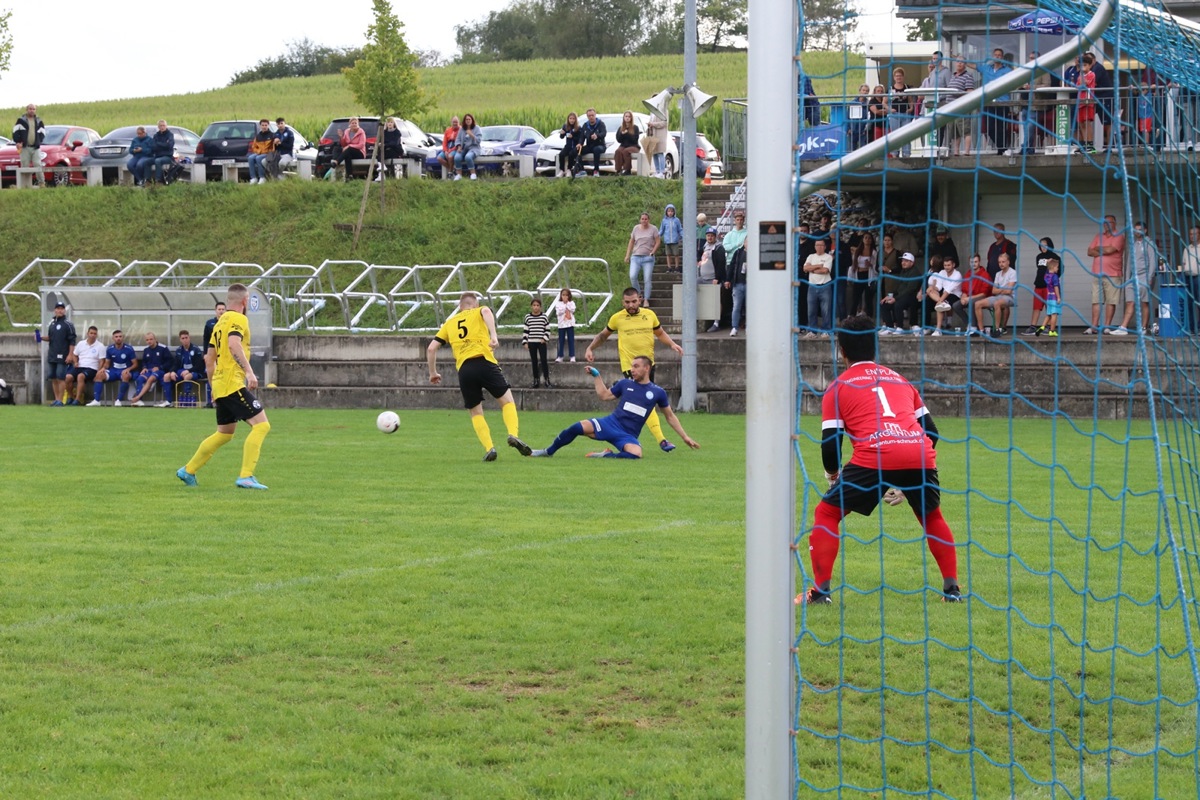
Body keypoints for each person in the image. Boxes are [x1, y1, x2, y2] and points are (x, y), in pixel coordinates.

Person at [797, 314, 961, 606]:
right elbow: (931, 432)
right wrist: (904, 479)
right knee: (932, 517)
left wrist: (833, 476)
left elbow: (831, 442)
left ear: (842, 351)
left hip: (874, 455)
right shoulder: (899, 379)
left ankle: (820, 593)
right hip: (918, 452)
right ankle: (952, 591)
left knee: (826, 514)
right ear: (875, 347)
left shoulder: (839, 386)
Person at [177, 284, 272, 490]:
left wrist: (213, 389)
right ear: (245, 301)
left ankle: (188, 470)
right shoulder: (239, 319)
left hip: (220, 384)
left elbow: (209, 359)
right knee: (262, 425)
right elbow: (233, 344)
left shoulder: (218, 324)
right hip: (232, 383)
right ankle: (246, 476)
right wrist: (248, 371)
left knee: (225, 433)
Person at [426, 292, 531, 461]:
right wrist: (494, 336)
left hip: (465, 370)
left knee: (475, 412)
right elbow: (487, 312)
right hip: (485, 362)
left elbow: (431, 348)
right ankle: (512, 434)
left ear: (460, 307)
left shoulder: (449, 323)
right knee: (507, 402)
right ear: (474, 305)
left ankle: (490, 448)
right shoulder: (479, 311)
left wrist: (433, 373)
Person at [529, 357, 698, 458]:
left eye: (636, 366)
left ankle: (607, 455)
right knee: (577, 427)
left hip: (627, 435)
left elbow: (670, 416)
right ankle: (547, 451)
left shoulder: (657, 392)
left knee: (636, 454)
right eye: (631, 366)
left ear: (647, 368)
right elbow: (604, 395)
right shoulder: (625, 384)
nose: (632, 369)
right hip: (609, 424)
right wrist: (597, 376)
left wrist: (685, 437)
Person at [584, 287, 685, 453]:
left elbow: (660, 333)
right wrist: (590, 348)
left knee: (646, 403)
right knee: (648, 402)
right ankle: (661, 440)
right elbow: (603, 335)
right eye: (627, 302)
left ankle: (623, 436)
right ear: (622, 302)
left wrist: (672, 344)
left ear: (640, 299)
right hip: (630, 369)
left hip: (648, 366)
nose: (630, 305)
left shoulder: (649, 315)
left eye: (634, 301)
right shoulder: (617, 318)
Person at [1086, 213, 1127, 334]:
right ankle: (1094, 326)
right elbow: (1089, 251)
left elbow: (1111, 250)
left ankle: (1107, 326)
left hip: (1113, 274)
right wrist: (1103, 249)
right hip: (1097, 273)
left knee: (1111, 301)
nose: (1106, 225)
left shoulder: (1119, 236)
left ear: (1114, 223)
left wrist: (1098, 248)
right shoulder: (1099, 236)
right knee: (1096, 300)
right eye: (1104, 222)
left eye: (1109, 222)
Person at [1119, 221, 1158, 334]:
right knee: (1130, 302)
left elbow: (1153, 262)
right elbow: (1129, 263)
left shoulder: (1150, 244)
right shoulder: (1134, 245)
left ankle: (1144, 328)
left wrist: (1149, 277)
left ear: (1145, 230)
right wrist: (1127, 279)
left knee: (1144, 302)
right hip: (1133, 278)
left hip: (1145, 277)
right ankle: (1123, 327)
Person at [879, 251, 924, 334]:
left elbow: (910, 289)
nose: (903, 263)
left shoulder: (915, 272)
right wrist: (889, 296)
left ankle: (900, 327)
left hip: (912, 298)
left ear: (912, 262)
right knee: (883, 304)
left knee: (898, 304)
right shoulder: (903, 271)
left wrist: (895, 299)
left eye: (906, 261)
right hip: (902, 296)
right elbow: (899, 289)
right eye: (903, 261)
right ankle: (890, 327)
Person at [42, 301, 77, 406]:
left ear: (64, 310)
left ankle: (61, 400)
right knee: (53, 377)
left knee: (61, 377)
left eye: (62, 308)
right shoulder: (52, 323)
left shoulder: (68, 324)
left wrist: (70, 354)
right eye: (58, 308)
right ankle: (56, 399)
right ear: (55, 310)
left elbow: (72, 340)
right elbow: (51, 338)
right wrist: (40, 338)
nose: (60, 310)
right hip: (52, 354)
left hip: (63, 355)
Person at [1022, 238, 1059, 335]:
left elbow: (1059, 270)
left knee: (1050, 307)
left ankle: (1049, 327)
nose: (1043, 247)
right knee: (1036, 306)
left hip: (1049, 287)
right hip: (1038, 285)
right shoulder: (1039, 256)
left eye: (1045, 245)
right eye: (1041, 245)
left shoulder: (1055, 257)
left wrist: (1053, 279)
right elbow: (1040, 267)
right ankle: (1033, 327)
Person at [979, 47, 1013, 153]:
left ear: (1002, 57)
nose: (997, 56)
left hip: (1002, 103)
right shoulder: (986, 68)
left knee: (1001, 128)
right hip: (988, 103)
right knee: (990, 128)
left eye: (999, 55)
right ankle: (1003, 149)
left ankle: (1001, 150)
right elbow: (974, 66)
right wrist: (962, 60)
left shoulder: (1007, 70)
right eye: (995, 55)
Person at [974, 252, 1017, 335]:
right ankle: (981, 330)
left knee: (997, 303)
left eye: (1003, 262)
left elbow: (1009, 291)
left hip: (1010, 297)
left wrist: (999, 289)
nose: (1001, 264)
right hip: (998, 296)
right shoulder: (998, 274)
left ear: (1008, 262)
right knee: (977, 304)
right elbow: (993, 291)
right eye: (999, 262)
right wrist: (1002, 289)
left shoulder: (1013, 272)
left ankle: (997, 330)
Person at [92, 329, 138, 406]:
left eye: (120, 336)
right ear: (113, 338)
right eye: (116, 337)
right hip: (113, 371)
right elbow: (107, 363)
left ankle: (118, 400)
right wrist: (103, 368)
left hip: (124, 371)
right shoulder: (110, 349)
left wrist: (128, 369)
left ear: (123, 338)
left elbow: (135, 364)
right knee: (99, 375)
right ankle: (96, 400)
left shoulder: (129, 349)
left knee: (125, 375)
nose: (118, 338)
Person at [161, 329, 206, 408]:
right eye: (183, 338)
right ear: (180, 340)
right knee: (166, 376)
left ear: (189, 338)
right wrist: (172, 372)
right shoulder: (179, 350)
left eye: (186, 338)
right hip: (182, 371)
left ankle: (186, 400)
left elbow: (199, 366)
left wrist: (188, 371)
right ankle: (169, 401)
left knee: (187, 376)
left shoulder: (196, 350)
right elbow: (175, 364)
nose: (185, 340)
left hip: (195, 372)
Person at [722, 211, 750, 335]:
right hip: (736, 277)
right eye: (737, 219)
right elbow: (726, 247)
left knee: (749, 306)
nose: (739, 221)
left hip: (749, 281)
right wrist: (736, 245)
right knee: (736, 305)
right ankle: (734, 327)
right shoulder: (730, 235)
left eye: (741, 219)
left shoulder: (747, 232)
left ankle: (749, 325)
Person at [128, 332, 173, 406]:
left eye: (151, 339)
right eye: (147, 340)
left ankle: (137, 397)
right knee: (140, 378)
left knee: (151, 378)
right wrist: (144, 368)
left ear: (155, 339)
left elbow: (169, 361)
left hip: (160, 371)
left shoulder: (163, 348)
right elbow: (144, 361)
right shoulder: (146, 350)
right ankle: (140, 401)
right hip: (149, 371)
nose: (149, 341)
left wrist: (160, 367)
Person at [625, 212, 661, 304]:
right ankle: (639, 295)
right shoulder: (636, 228)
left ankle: (646, 299)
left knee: (647, 278)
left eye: (646, 219)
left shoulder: (653, 229)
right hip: (636, 256)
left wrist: (653, 252)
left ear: (648, 220)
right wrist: (627, 255)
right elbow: (631, 242)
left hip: (648, 258)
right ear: (640, 220)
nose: (644, 220)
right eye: (642, 219)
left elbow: (658, 241)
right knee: (632, 276)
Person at [64, 325, 103, 406]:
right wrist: (75, 362)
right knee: (68, 377)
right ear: (87, 334)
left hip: (91, 368)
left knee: (80, 376)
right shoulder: (81, 343)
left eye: (94, 334)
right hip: (80, 366)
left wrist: (98, 372)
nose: (92, 335)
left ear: (97, 335)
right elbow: (75, 355)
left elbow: (102, 361)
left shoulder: (100, 346)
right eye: (91, 333)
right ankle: (71, 397)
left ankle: (77, 400)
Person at [803, 238, 835, 338]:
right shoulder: (811, 256)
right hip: (812, 286)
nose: (819, 247)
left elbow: (825, 270)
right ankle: (812, 331)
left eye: (821, 245)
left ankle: (826, 331)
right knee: (811, 310)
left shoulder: (828, 257)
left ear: (825, 247)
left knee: (826, 310)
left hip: (825, 285)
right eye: (817, 245)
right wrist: (818, 266)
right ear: (815, 246)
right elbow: (805, 268)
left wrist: (812, 269)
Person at [925, 254, 962, 335]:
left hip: (955, 295)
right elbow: (939, 286)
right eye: (945, 265)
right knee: (930, 291)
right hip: (943, 294)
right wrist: (932, 288)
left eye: (948, 265)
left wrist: (940, 301)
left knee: (940, 306)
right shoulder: (942, 272)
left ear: (953, 265)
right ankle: (941, 302)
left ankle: (938, 329)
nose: (946, 267)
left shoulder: (957, 274)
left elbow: (949, 290)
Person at [956, 254, 992, 334]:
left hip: (982, 298)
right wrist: (963, 297)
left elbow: (984, 294)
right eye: (972, 262)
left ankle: (974, 328)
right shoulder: (968, 274)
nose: (974, 264)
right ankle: (969, 324)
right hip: (969, 298)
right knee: (956, 305)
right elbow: (964, 290)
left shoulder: (985, 275)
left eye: (976, 262)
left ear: (979, 262)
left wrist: (968, 298)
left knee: (972, 302)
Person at [948, 57, 977, 154]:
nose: (959, 64)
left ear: (965, 64)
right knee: (955, 133)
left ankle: (967, 152)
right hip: (951, 108)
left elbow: (970, 92)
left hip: (961, 108)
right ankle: (956, 152)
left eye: (962, 62)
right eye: (958, 62)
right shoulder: (953, 76)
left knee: (966, 130)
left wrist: (958, 93)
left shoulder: (968, 76)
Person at [522, 298, 552, 388]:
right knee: (534, 361)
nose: (536, 307)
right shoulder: (528, 317)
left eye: (537, 305)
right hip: (531, 342)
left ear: (540, 307)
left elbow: (548, 329)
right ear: (531, 306)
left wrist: (545, 338)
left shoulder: (544, 317)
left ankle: (547, 380)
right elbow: (526, 330)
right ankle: (536, 380)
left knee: (543, 361)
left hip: (541, 342)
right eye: (534, 305)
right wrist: (525, 342)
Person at [13, 103, 45, 186]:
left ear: (35, 110)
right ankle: (25, 185)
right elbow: (15, 132)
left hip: (36, 148)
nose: (32, 110)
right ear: (27, 110)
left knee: (38, 164)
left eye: (33, 109)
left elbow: (43, 132)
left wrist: (39, 141)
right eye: (30, 109)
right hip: (25, 148)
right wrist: (18, 142)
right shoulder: (21, 120)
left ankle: (41, 183)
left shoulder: (39, 120)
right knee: (25, 166)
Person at [847, 231, 877, 317]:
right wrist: (850, 277)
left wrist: (871, 265)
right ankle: (851, 316)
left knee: (868, 299)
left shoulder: (874, 252)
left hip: (869, 276)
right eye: (865, 238)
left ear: (872, 240)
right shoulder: (858, 251)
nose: (867, 239)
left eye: (869, 238)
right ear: (862, 239)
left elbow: (877, 265)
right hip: (858, 276)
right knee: (855, 298)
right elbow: (852, 265)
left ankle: (869, 318)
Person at [202, 301, 226, 408]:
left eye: (223, 309)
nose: (221, 311)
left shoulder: (228, 322)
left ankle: (223, 400)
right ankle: (211, 401)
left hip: (224, 355)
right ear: (215, 311)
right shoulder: (209, 323)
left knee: (223, 377)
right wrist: (205, 354)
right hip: (212, 354)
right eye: (219, 309)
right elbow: (206, 339)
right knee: (211, 376)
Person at [1181, 225, 1200, 334]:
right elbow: (1184, 263)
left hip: (1198, 277)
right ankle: (1192, 328)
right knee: (1189, 303)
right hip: (1187, 278)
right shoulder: (1186, 248)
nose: (1192, 236)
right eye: (1191, 234)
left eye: (1195, 234)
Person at [1075, 57, 1097, 152]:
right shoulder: (1080, 75)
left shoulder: (1091, 74)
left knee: (1087, 123)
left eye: (1085, 65)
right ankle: (1084, 144)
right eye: (1081, 65)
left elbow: (1084, 84)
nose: (1083, 67)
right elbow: (1077, 85)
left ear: (1090, 65)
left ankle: (1090, 145)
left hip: (1088, 101)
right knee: (1081, 123)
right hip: (1080, 101)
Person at [551, 287, 577, 362]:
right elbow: (558, 312)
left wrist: (567, 304)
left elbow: (572, 309)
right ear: (561, 296)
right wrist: (565, 306)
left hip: (570, 324)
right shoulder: (558, 303)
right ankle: (560, 356)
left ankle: (572, 356)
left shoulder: (571, 303)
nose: (565, 297)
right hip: (561, 325)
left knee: (571, 340)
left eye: (566, 295)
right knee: (561, 340)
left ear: (569, 296)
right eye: (563, 295)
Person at [453, 113, 482, 181]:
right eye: (466, 119)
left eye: (469, 119)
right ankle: (459, 174)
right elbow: (458, 139)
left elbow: (478, 140)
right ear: (464, 121)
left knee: (468, 157)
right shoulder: (462, 129)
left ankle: (473, 174)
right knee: (457, 157)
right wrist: (459, 146)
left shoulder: (477, 128)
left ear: (472, 120)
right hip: (463, 148)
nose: (468, 121)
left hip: (474, 148)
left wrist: (471, 135)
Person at [246, 119, 276, 185]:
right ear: (260, 126)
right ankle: (253, 178)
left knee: (258, 158)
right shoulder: (258, 136)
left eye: (266, 125)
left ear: (268, 126)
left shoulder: (272, 135)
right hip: (260, 153)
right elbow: (254, 147)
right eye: (263, 125)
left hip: (269, 153)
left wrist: (266, 152)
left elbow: (273, 148)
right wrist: (258, 151)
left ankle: (262, 177)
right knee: (250, 158)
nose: (264, 127)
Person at [579, 108, 607, 176]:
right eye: (589, 116)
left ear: (595, 115)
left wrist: (597, 135)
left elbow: (604, 133)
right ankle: (581, 170)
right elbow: (582, 137)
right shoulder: (585, 125)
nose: (591, 117)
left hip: (600, 145)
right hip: (589, 146)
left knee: (596, 150)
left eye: (592, 115)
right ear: (587, 116)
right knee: (577, 150)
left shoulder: (600, 123)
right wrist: (580, 144)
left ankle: (596, 170)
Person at [148, 119, 176, 185]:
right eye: (160, 126)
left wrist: (158, 144)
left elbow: (169, 146)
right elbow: (153, 147)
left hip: (168, 157)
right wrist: (164, 144)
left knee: (158, 161)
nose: (162, 127)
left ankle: (158, 181)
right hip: (157, 155)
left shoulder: (170, 135)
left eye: (163, 125)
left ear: (166, 126)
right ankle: (148, 181)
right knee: (146, 162)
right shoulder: (156, 136)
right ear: (158, 127)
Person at [613, 110, 640, 176]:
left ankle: (627, 170)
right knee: (618, 151)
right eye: (626, 116)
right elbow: (618, 140)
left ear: (631, 118)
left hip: (634, 146)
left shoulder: (635, 128)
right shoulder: (621, 128)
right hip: (623, 145)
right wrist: (622, 134)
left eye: (629, 116)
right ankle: (618, 170)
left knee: (626, 151)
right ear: (624, 117)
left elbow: (635, 139)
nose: (627, 118)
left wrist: (627, 133)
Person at [659, 204, 684, 274]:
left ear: (674, 212)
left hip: (675, 240)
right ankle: (669, 267)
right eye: (668, 211)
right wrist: (658, 236)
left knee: (676, 254)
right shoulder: (664, 221)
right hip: (667, 241)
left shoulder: (676, 220)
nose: (670, 213)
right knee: (668, 254)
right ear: (666, 212)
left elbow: (680, 229)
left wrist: (683, 236)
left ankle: (677, 267)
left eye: (671, 211)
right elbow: (661, 230)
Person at [1043, 255, 1063, 336]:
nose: (1058, 269)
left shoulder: (1046, 275)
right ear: (1054, 267)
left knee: (1049, 314)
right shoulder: (1055, 276)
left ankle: (1042, 328)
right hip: (1054, 297)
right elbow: (1056, 287)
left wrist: (1048, 262)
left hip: (1048, 297)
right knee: (1054, 314)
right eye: (1057, 267)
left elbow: (1047, 271)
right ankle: (1052, 330)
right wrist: (1058, 297)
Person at [644, 112, 669, 177]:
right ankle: (657, 171)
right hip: (652, 135)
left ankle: (662, 172)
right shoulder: (652, 112)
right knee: (654, 153)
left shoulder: (664, 111)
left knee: (660, 152)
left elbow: (664, 123)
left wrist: (653, 124)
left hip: (660, 135)